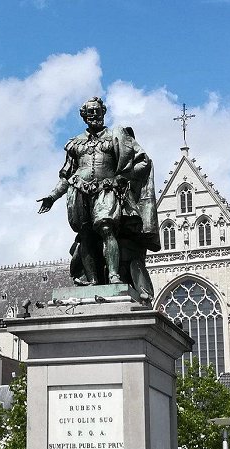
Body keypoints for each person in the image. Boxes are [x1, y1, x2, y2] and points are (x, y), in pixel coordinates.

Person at [38, 97, 160, 301]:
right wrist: (52, 196)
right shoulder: (75, 143)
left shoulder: (116, 136)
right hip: (79, 191)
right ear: (84, 116)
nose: (94, 115)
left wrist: (123, 178)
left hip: (107, 188)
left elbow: (143, 162)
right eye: (90, 112)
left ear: (103, 112)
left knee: (106, 227)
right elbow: (67, 176)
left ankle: (113, 275)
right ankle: (92, 280)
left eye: (97, 111)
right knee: (85, 234)